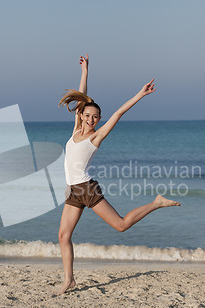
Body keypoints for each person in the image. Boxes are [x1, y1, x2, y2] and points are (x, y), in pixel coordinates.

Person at [55, 54, 181, 295]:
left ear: (99, 120)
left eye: (95, 117)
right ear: (81, 115)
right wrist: (85, 71)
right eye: (88, 115)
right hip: (73, 191)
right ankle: (69, 280)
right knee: (63, 236)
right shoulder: (75, 130)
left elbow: (119, 113)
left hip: (86, 189)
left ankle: (156, 203)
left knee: (121, 225)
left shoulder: (96, 136)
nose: (91, 119)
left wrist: (140, 94)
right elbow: (82, 97)